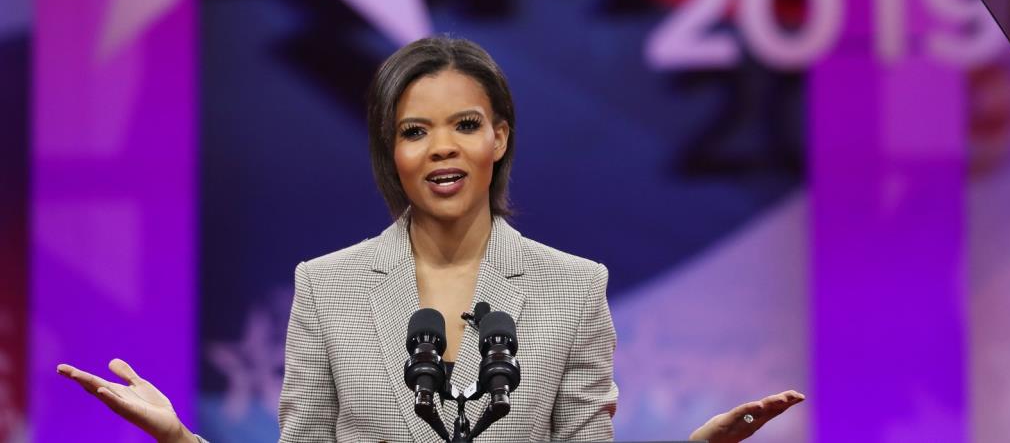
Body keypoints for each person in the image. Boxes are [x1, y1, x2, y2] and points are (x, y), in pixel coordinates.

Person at [58, 36, 804, 442]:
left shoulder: (574, 286)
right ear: (392, 152)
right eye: (415, 131)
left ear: (499, 138)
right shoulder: (327, 286)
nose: (442, 147)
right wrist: (179, 441)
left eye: (465, 125)